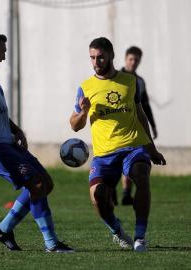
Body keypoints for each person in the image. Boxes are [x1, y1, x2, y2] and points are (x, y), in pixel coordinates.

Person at [0, 31, 73, 252]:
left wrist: (16, 129)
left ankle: (3, 230)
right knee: (36, 185)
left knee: (45, 183)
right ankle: (51, 243)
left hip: (8, 142)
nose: (4, 57)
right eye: (3, 51)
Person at [69, 37, 166, 252]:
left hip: (133, 146)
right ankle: (117, 231)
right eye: (92, 57)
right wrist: (84, 111)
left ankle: (140, 236)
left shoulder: (130, 82)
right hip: (104, 154)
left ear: (111, 55)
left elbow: (140, 114)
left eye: (100, 57)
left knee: (141, 174)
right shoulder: (85, 88)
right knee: (98, 197)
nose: (96, 61)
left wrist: (151, 147)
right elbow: (75, 125)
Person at [118, 46, 158, 206]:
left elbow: (145, 106)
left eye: (136, 60)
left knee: (134, 160)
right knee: (117, 161)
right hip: (119, 128)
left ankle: (127, 194)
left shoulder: (139, 81)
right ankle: (117, 192)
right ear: (125, 59)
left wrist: (153, 126)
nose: (133, 62)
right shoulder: (116, 77)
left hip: (136, 128)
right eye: (131, 59)